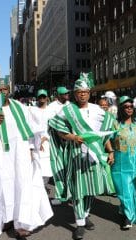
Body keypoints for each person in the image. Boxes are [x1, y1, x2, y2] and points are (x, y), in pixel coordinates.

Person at [0, 78, 53, 239]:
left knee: (22, 186)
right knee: (2, 188)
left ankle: (22, 224)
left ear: (9, 90)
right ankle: (5, 218)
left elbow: (31, 129)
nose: (2, 93)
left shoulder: (19, 107)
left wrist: (32, 149)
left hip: (20, 155)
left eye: (5, 89)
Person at [49, 72, 115, 240]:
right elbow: (56, 127)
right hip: (76, 154)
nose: (82, 94)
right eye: (79, 92)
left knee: (91, 188)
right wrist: (72, 137)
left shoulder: (98, 110)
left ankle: (85, 215)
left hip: (94, 154)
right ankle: (79, 223)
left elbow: (107, 129)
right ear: (75, 94)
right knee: (79, 189)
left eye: (85, 91)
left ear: (89, 92)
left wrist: (108, 149)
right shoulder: (68, 110)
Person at [110, 96, 136, 230]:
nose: (129, 109)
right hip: (120, 164)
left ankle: (133, 211)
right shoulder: (115, 124)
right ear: (121, 109)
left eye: (130, 107)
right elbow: (106, 139)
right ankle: (128, 216)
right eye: (125, 107)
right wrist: (110, 152)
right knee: (124, 190)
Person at [29, 89, 55, 190]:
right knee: (36, 165)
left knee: (46, 168)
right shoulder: (32, 110)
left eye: (44, 97)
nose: (42, 99)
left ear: (47, 98)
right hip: (35, 141)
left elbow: (54, 127)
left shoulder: (51, 111)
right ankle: (37, 188)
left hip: (47, 142)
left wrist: (46, 137)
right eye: (40, 97)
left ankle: (43, 187)